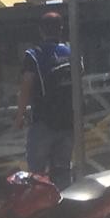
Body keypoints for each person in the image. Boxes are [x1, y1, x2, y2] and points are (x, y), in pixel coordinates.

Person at [16, 12, 79, 190]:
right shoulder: (71, 53)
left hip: (43, 122)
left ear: (41, 30)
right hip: (68, 122)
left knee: (36, 174)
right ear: (61, 29)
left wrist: (19, 116)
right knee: (63, 171)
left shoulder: (34, 54)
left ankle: (39, 214)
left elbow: (26, 85)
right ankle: (64, 212)